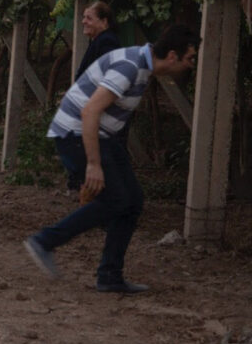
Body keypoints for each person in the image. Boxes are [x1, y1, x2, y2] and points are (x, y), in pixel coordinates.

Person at [24, 25, 200, 294]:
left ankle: (110, 276)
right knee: (115, 200)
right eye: (190, 59)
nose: (191, 65)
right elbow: (90, 112)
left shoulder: (142, 65)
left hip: (101, 137)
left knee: (132, 201)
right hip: (77, 134)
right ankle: (44, 241)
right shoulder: (129, 66)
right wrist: (93, 165)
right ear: (173, 56)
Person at [75, 1, 121, 79]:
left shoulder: (107, 41)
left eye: (89, 18)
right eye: (84, 17)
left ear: (104, 22)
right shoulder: (97, 40)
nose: (83, 21)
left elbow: (106, 76)